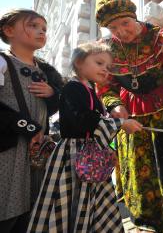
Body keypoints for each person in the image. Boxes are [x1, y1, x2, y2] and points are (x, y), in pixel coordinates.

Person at [95, 0, 163, 233]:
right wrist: (114, 105)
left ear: (134, 16)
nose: (122, 31)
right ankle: (146, 224)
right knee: (140, 174)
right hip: (131, 121)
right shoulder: (106, 49)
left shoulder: (160, 36)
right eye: (113, 27)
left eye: (125, 23)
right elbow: (104, 86)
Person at [27, 41, 143, 232]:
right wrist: (120, 123)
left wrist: (108, 147)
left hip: (90, 156)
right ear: (79, 62)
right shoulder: (72, 88)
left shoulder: (89, 89)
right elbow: (83, 120)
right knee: (71, 202)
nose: (105, 69)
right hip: (73, 156)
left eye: (108, 66)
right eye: (99, 63)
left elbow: (93, 123)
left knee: (91, 201)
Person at [0, 9, 63, 233]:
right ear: (8, 30)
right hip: (9, 151)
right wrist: (25, 126)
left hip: (37, 154)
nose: (41, 32)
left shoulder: (47, 72)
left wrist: (53, 94)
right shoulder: (2, 62)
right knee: (8, 209)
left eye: (44, 28)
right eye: (33, 26)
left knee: (33, 211)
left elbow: (56, 108)